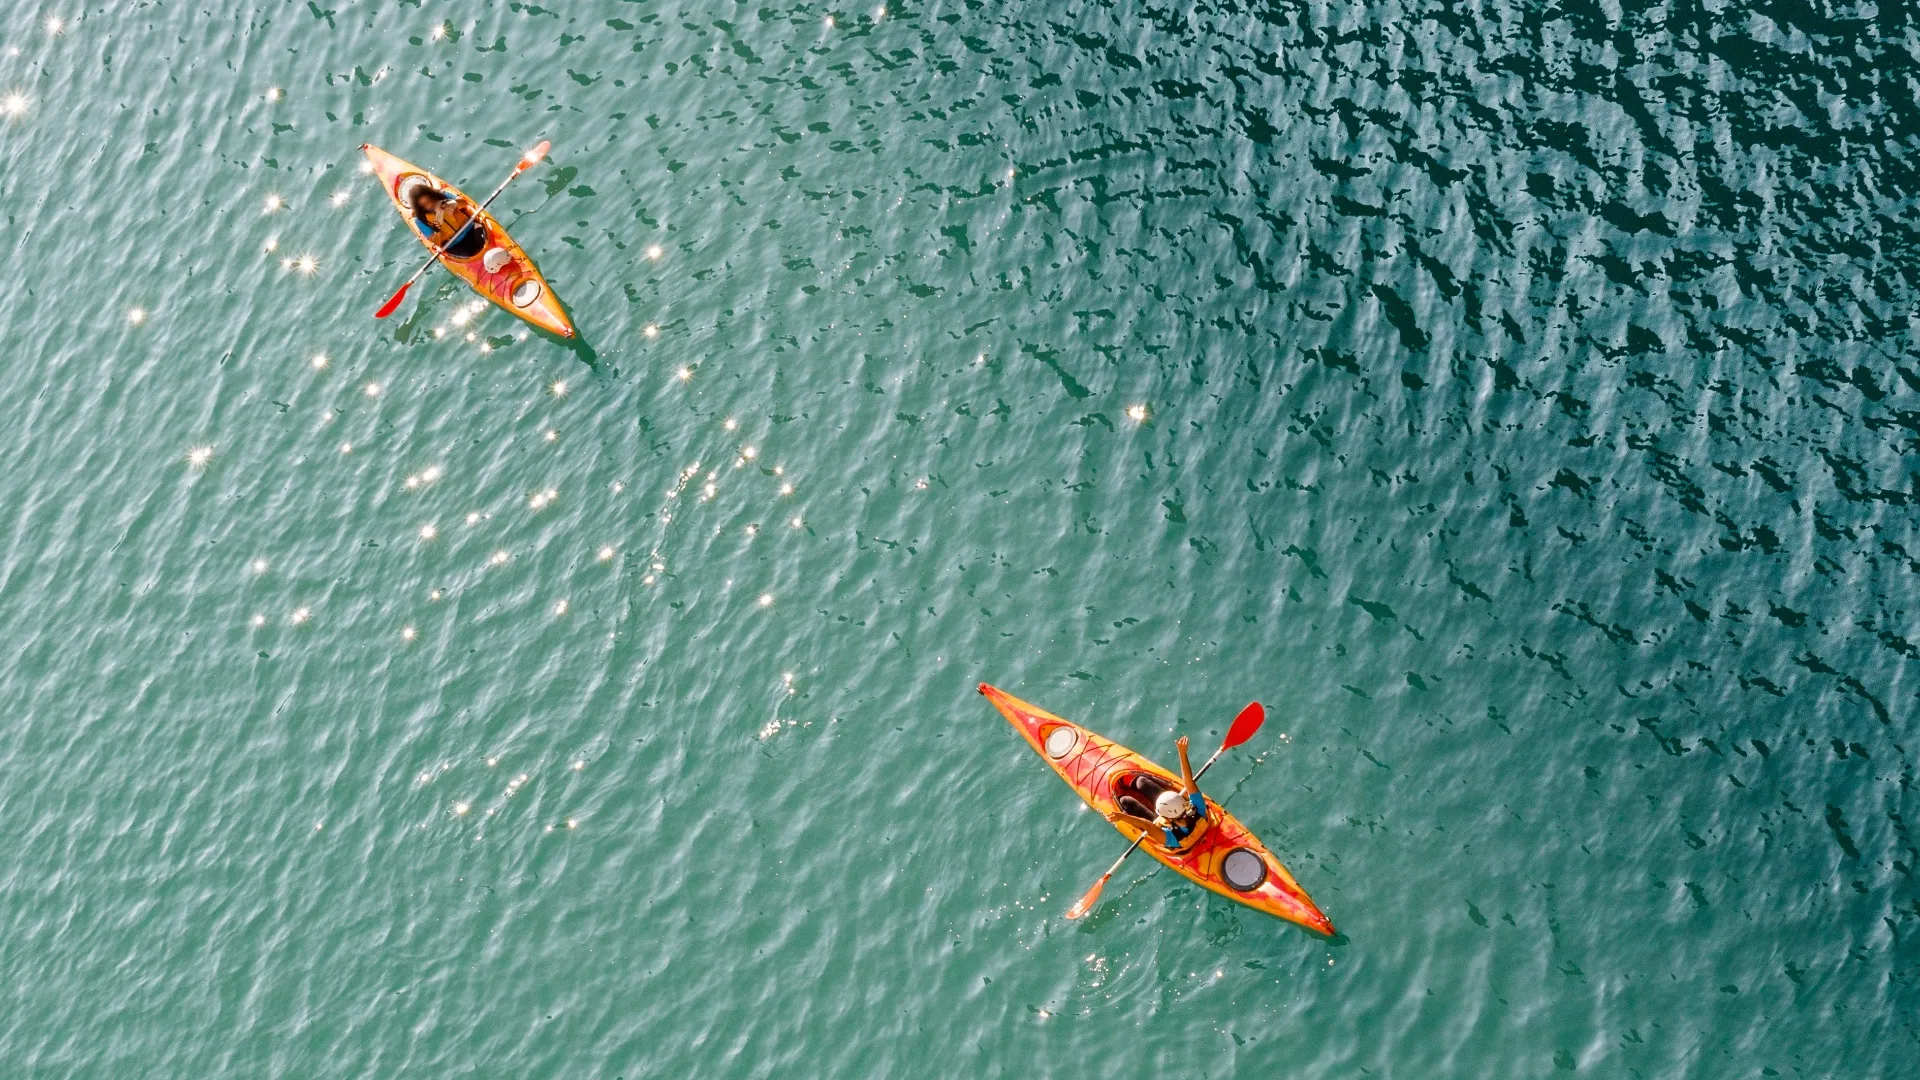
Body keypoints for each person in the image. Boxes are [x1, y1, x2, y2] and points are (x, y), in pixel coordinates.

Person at [1153, 735, 1209, 851]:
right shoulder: (1200, 811)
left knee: (1127, 800)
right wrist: (1183, 754)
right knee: (1140, 785)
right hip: (1198, 828)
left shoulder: (1171, 837)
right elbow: (1189, 782)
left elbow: (1147, 826)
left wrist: (1122, 817)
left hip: (1182, 843)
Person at [408, 185, 484, 256]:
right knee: (468, 253)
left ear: (432, 195)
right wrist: (437, 230)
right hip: (453, 244)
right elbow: (437, 243)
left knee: (482, 240)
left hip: (469, 228)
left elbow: (464, 203)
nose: (430, 205)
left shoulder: (441, 195)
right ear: (420, 207)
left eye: (429, 201)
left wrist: (451, 202)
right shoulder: (420, 220)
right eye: (424, 205)